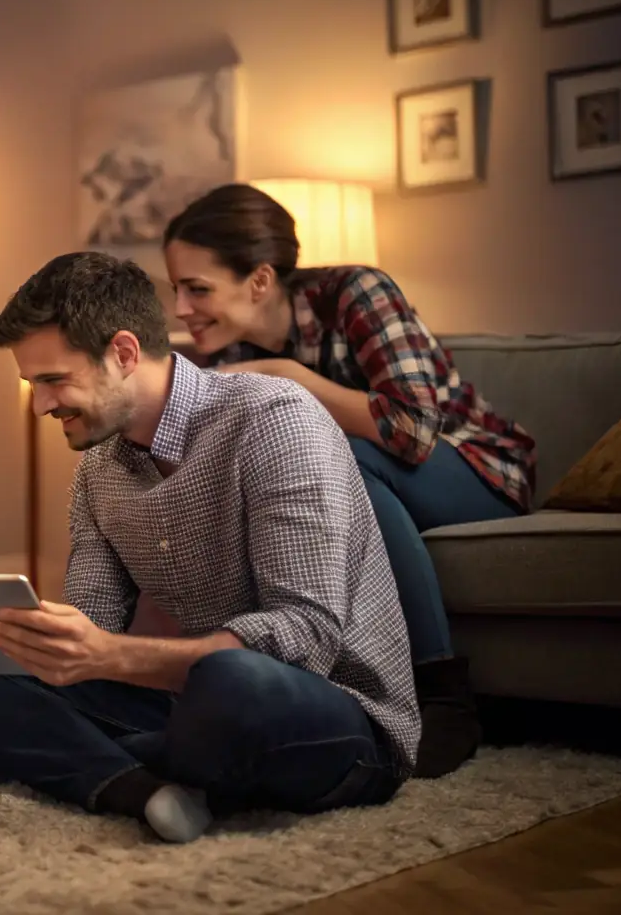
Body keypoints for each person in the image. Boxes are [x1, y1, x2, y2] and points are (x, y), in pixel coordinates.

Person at [0, 252, 420, 844]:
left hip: (327, 713)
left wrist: (109, 657)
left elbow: (306, 637)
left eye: (54, 380)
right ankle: (146, 788)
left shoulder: (277, 422)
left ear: (125, 353)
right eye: (34, 384)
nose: (40, 406)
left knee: (233, 680)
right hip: (180, 703)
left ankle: (105, 760)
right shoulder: (98, 471)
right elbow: (90, 628)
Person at [160, 182, 536, 777]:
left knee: (343, 459)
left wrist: (289, 378)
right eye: (176, 289)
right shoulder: (226, 358)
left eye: (197, 289)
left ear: (259, 280)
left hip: (474, 472)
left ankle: (441, 695)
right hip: (372, 484)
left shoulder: (357, 293)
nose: (180, 309)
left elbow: (413, 431)